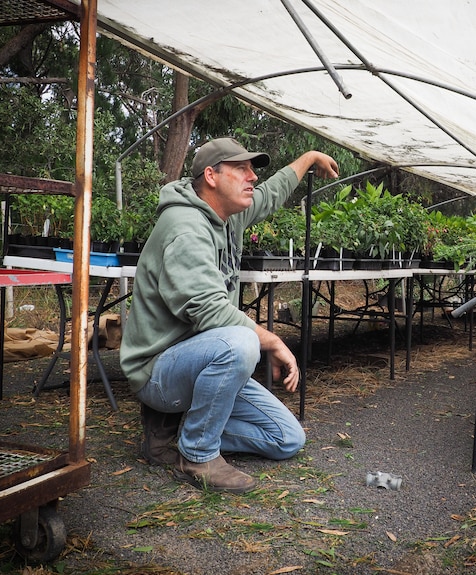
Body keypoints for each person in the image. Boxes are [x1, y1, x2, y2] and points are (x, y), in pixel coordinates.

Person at [120, 136, 339, 493]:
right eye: (242, 169)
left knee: (286, 438)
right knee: (241, 342)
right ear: (211, 175)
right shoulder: (185, 228)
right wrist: (271, 341)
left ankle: (178, 428)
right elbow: (208, 311)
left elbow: (272, 192)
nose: (252, 176)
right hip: (157, 370)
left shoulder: (227, 216)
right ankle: (198, 453)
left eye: (252, 169)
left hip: (200, 361)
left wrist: (309, 156)